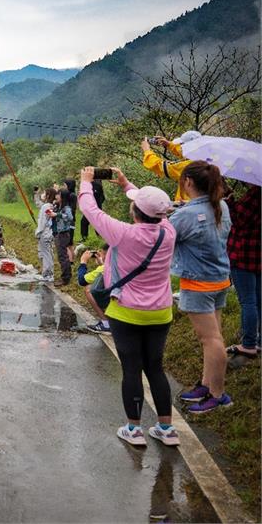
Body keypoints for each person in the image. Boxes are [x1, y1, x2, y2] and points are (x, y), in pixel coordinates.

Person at [78, 165, 179, 446]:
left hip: (126, 312)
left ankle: (134, 430)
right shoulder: (168, 232)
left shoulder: (123, 234)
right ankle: (166, 429)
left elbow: (90, 208)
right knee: (155, 368)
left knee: (131, 368)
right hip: (160, 312)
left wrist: (86, 181)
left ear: (135, 212)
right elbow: (155, 209)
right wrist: (126, 184)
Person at [170, 161, 234, 414]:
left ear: (188, 182)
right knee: (213, 337)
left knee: (211, 339)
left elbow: (164, 235)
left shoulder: (185, 215)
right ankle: (207, 385)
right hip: (219, 280)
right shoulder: (222, 206)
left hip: (198, 284)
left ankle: (218, 395)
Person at [225, 185, 260, 365]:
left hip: (244, 255)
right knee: (258, 299)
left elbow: (239, 220)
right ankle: (258, 340)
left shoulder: (256, 193)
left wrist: (228, 199)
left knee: (248, 301)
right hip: (258, 254)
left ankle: (248, 344)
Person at [141, 133, 196, 202]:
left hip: (188, 206)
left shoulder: (190, 166)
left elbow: (160, 166)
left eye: (181, 145)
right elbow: (187, 153)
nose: (180, 147)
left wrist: (147, 151)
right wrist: (169, 145)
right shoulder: (207, 158)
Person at [76, 248, 111, 334]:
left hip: (117, 300)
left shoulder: (104, 268)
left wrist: (83, 262)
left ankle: (106, 324)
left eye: (102, 253)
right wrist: (101, 263)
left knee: (88, 289)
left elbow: (82, 280)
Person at [52, 188, 75, 287]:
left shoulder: (66, 208)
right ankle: (65, 276)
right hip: (59, 233)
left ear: (63, 197)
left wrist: (57, 214)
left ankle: (65, 278)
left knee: (63, 257)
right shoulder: (59, 206)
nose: (56, 196)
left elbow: (70, 218)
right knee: (61, 256)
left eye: (58, 194)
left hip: (63, 234)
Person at [34, 188, 57, 282]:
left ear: (48, 195)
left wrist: (38, 232)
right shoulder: (51, 205)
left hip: (45, 233)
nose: (43, 194)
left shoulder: (46, 206)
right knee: (49, 253)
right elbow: (38, 204)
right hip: (50, 233)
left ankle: (47, 275)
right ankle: (49, 274)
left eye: (44, 193)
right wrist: (36, 194)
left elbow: (43, 222)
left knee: (46, 254)